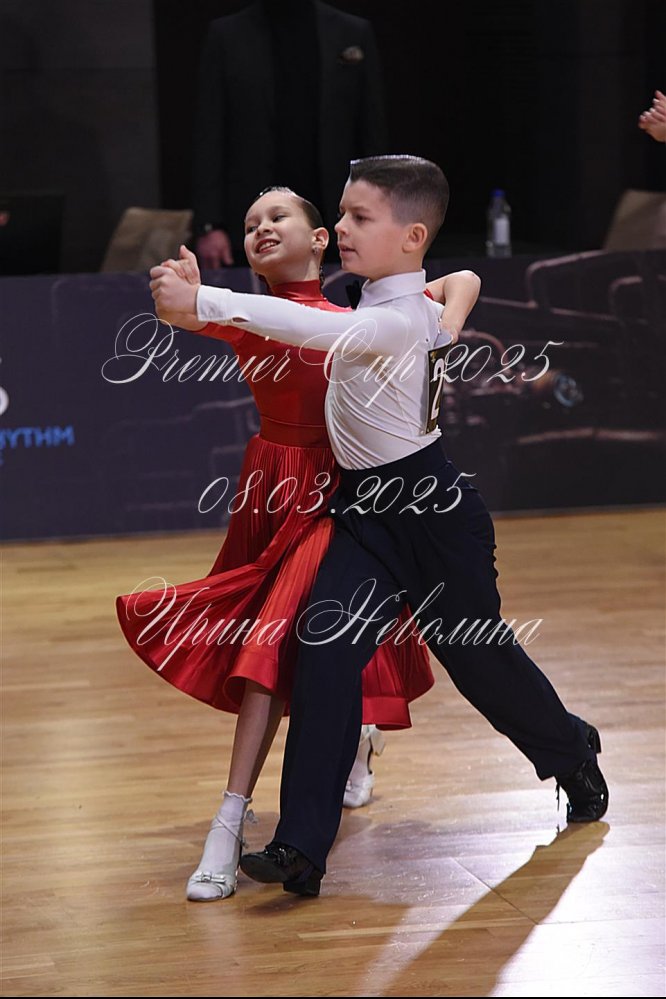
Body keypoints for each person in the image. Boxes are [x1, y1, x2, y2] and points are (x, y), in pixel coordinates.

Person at [150, 155, 610, 900]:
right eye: (343, 213)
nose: (343, 227)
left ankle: (570, 751)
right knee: (323, 651)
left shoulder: (389, 320)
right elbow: (460, 279)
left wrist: (207, 298)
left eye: (360, 217)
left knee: (480, 661)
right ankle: (300, 846)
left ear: (412, 236)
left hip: (433, 512)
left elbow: (301, 323)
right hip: (363, 510)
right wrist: (456, 303)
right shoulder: (402, 301)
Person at [118, 184, 482, 902]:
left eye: (277, 217)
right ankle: (347, 743)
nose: (260, 228)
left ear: (320, 240)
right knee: (297, 638)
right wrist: (174, 289)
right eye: (250, 223)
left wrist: (449, 323)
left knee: (274, 647)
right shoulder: (253, 316)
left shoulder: (360, 318)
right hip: (269, 493)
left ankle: (230, 820)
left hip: (338, 494)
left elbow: (461, 278)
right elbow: (178, 311)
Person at [191, 0, 388, 267]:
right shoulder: (227, 36)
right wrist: (209, 225)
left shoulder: (351, 32)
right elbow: (209, 137)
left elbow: (372, 135)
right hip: (251, 219)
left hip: (337, 217)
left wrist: (376, 216)